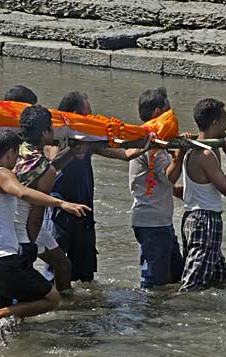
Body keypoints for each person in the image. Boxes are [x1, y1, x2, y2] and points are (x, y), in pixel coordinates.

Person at [0, 129, 91, 329]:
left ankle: (0, 348)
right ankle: (0, 314)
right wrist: (61, 204)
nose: (16, 161)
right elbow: (23, 192)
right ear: (9, 153)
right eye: (16, 155)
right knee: (51, 298)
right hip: (1, 260)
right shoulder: (1, 174)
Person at [47, 91, 150, 284]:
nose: (92, 119)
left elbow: (125, 154)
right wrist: (73, 146)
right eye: (88, 115)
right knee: (56, 270)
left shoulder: (90, 143)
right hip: (59, 212)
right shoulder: (53, 138)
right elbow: (53, 161)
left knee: (86, 276)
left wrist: (148, 142)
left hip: (84, 213)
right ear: (74, 115)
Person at [13, 104, 83, 292]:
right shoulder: (44, 168)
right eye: (51, 127)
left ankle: (63, 305)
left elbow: (48, 168)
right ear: (45, 132)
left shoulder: (16, 150)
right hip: (25, 225)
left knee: (62, 264)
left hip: (9, 218)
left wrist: (71, 151)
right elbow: (36, 216)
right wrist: (29, 252)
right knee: (62, 265)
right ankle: (61, 307)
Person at [129, 87, 185, 288]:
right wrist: (180, 154)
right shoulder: (151, 145)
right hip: (153, 223)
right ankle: (149, 317)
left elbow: (163, 184)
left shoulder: (154, 142)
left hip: (159, 221)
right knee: (155, 283)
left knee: (176, 274)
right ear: (157, 114)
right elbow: (169, 178)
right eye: (168, 111)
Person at [180, 98, 226, 292]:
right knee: (192, 285)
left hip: (194, 218)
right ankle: (172, 315)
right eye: (224, 120)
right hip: (205, 221)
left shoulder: (195, 148)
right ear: (215, 123)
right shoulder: (204, 155)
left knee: (220, 277)